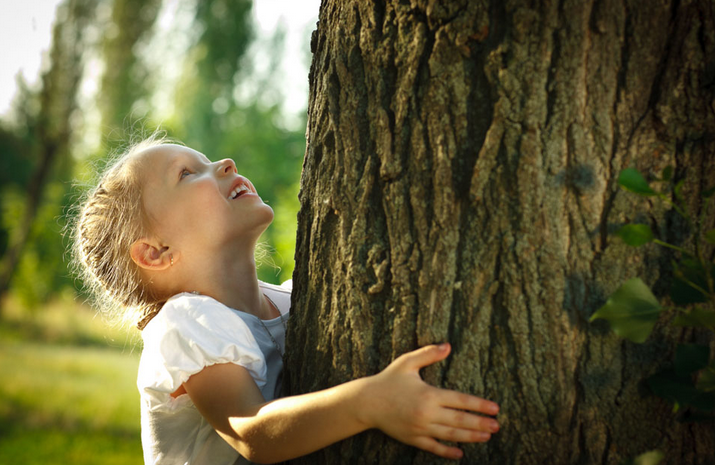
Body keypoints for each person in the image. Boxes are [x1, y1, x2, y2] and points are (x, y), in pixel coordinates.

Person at [72, 135, 500, 464]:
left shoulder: (298, 299)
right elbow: (251, 433)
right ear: (156, 252)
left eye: (206, 160)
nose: (224, 163)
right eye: (187, 173)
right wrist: (372, 402)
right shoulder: (185, 326)